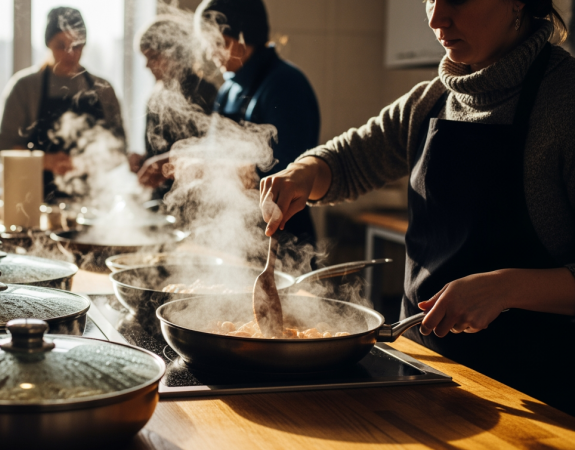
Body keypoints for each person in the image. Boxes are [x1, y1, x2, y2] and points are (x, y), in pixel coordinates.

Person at [260, 0, 575, 415]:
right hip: (423, 369)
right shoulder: (434, 99)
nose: (435, 17)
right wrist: (302, 173)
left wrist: (504, 288)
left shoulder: (565, 102)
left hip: (530, 394)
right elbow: (347, 160)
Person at [195, 0, 320, 247]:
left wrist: (211, 168)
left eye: (215, 42)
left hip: (283, 238)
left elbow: (288, 172)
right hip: (236, 234)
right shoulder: (228, 89)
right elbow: (213, 153)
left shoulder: (285, 84)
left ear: (240, 36)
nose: (209, 53)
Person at [0, 7, 125, 201]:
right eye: (61, 45)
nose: (70, 54)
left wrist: (87, 162)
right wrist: (45, 161)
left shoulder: (103, 89)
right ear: (48, 44)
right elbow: (3, 145)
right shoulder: (25, 87)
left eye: (77, 45)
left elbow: (120, 149)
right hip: (34, 200)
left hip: (93, 201)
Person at [130, 17, 219, 200]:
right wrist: (142, 161)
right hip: (161, 201)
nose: (147, 65)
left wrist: (167, 163)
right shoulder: (155, 96)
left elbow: (211, 154)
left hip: (193, 199)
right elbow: (157, 150)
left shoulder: (204, 92)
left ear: (175, 53)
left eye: (153, 57)